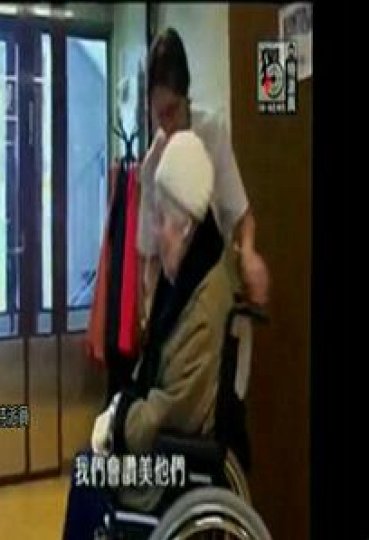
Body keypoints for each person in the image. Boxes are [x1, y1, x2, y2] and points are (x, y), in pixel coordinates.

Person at [62, 131, 233, 538]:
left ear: (186, 226)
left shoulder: (203, 305)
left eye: (160, 221)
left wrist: (119, 421)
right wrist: (120, 409)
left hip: (171, 467)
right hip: (164, 447)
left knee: (87, 474)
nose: (154, 232)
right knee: (88, 465)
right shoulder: (189, 280)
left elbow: (170, 411)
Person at [138, 28, 269, 319]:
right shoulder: (152, 166)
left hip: (212, 285)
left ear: (187, 96)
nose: (167, 124)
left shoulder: (212, 133)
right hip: (174, 297)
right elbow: (149, 256)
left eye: (172, 110)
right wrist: (148, 309)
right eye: (160, 115)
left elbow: (242, 215)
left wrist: (248, 254)